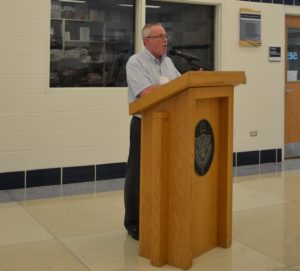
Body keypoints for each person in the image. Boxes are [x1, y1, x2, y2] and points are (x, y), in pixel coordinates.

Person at [124, 22, 181, 240]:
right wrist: (173, 87)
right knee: (138, 173)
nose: (165, 40)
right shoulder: (135, 62)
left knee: (164, 170)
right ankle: (133, 222)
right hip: (144, 123)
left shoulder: (168, 62)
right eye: (159, 36)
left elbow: (182, 86)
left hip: (170, 122)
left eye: (166, 35)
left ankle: (160, 214)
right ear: (146, 41)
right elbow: (146, 93)